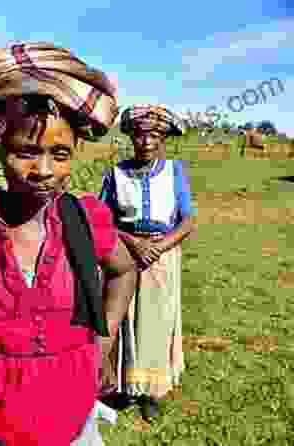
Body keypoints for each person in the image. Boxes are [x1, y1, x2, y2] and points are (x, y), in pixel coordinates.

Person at [0, 39, 137, 446]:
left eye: (59, 154)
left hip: (72, 423)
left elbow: (124, 271)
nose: (43, 170)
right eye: (26, 151)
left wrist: (104, 341)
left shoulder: (88, 220)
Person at [98, 104, 196, 420]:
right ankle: (124, 389)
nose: (147, 142)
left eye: (154, 135)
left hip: (163, 256)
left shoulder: (174, 172)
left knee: (156, 320)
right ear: (131, 138)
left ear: (163, 138)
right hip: (124, 254)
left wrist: (158, 247)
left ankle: (151, 393)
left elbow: (187, 221)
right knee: (123, 318)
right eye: (140, 135)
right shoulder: (115, 174)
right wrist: (135, 244)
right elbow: (103, 220)